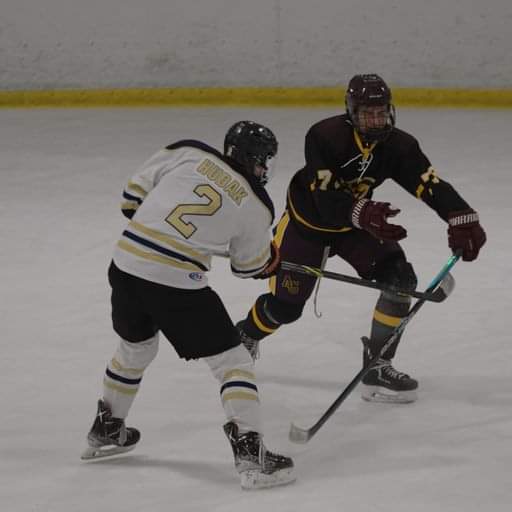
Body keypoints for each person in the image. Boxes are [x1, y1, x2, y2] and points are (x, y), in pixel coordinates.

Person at [236, 74, 486, 404]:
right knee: (285, 308)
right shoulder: (324, 137)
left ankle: (378, 367)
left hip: (355, 224)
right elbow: (326, 201)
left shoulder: (399, 145)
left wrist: (461, 216)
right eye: (368, 114)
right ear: (351, 112)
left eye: (381, 112)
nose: (376, 120)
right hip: (308, 227)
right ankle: (245, 335)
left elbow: (428, 183)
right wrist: (365, 213)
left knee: (399, 279)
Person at [81, 120, 295, 490]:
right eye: (265, 161)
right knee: (233, 362)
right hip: (174, 282)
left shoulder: (188, 151)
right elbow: (248, 266)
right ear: (258, 160)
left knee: (136, 346)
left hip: (126, 264)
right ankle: (252, 455)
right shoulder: (257, 205)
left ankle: (107, 426)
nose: (264, 169)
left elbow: (130, 201)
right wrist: (269, 261)